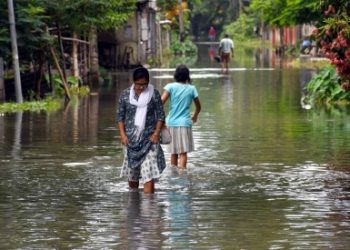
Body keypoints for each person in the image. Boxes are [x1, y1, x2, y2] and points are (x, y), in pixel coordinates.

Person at [117, 67, 166, 193]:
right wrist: (122, 135)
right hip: (130, 140)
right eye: (139, 84)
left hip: (149, 139)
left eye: (145, 84)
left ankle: (148, 207)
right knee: (132, 173)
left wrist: (156, 133)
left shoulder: (154, 94)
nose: (141, 88)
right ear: (134, 82)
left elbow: (161, 116)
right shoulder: (125, 95)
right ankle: (134, 202)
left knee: (148, 172)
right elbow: (120, 117)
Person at [161, 64, 201, 169]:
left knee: (173, 152)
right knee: (183, 153)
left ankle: (173, 174)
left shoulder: (170, 87)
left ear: (176, 75)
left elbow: (160, 102)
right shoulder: (192, 89)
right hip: (185, 123)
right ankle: (183, 174)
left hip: (171, 123)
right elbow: (199, 106)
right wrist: (195, 115)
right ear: (188, 76)